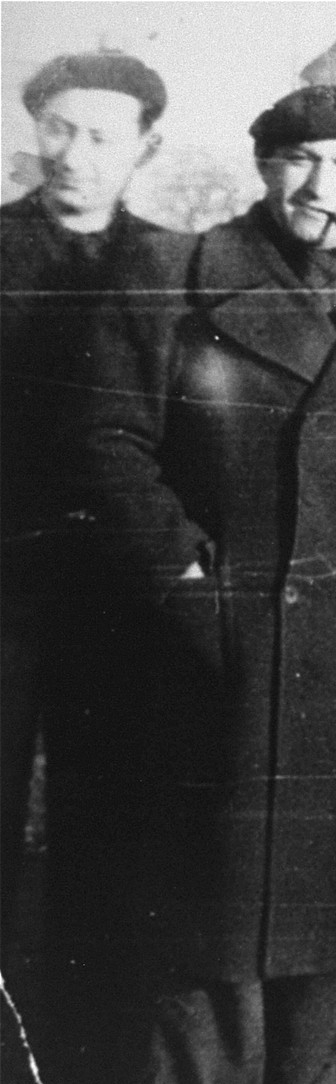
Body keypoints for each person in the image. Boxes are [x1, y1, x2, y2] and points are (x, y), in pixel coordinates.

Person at [63, 85, 336, 1084]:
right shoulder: (176, 274)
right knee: (214, 878)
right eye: (298, 161)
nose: (322, 186)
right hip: (224, 631)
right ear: (263, 165)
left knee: (333, 868)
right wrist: (193, 587)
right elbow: (111, 445)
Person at [0, 49, 180, 962]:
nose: (73, 155)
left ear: (146, 148)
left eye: (101, 137)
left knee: (108, 823)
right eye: (57, 129)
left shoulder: (171, 265)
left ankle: (86, 1025)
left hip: (115, 590)